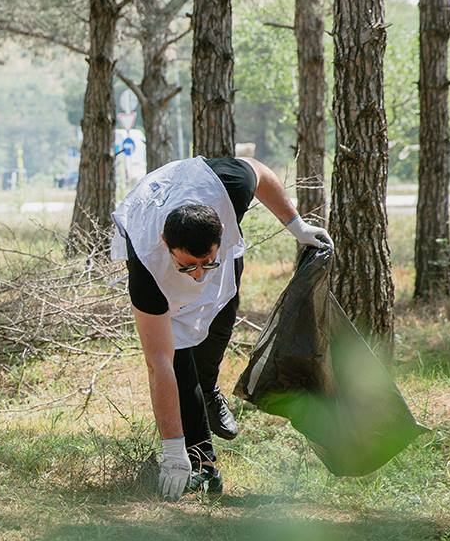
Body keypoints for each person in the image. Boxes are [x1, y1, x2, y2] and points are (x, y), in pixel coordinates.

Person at [112, 156, 332, 500]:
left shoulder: (231, 186)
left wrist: (297, 227)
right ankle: (201, 462)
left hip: (207, 206)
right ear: (165, 243)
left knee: (218, 327)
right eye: (188, 266)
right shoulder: (146, 266)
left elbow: (261, 172)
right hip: (154, 247)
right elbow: (159, 363)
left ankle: (210, 389)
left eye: (206, 263)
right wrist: (172, 449)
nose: (199, 275)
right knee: (180, 358)